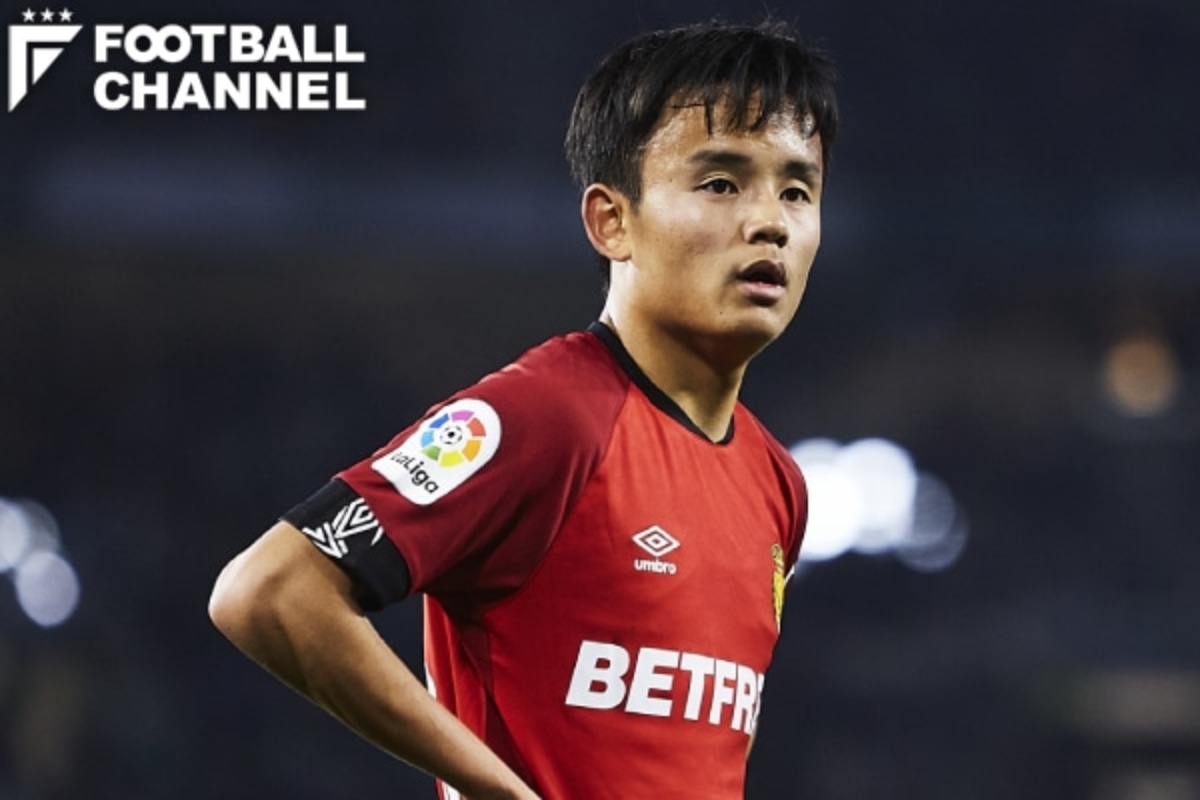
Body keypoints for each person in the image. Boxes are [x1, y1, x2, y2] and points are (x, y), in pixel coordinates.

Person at [209, 18, 838, 800]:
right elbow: (268, 590)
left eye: (797, 190)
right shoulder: (549, 416)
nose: (770, 221)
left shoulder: (778, 484)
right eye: (720, 184)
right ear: (612, 221)